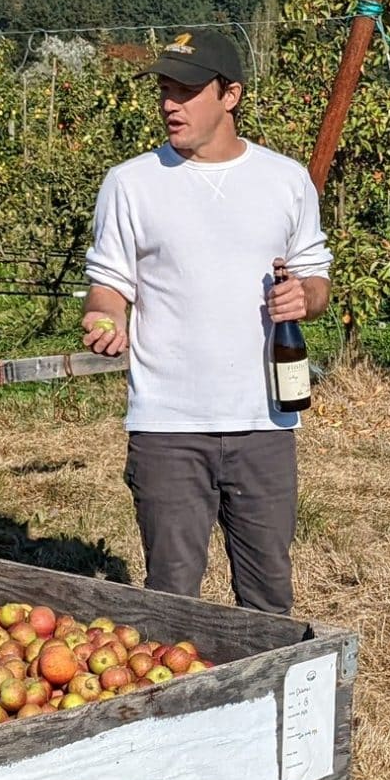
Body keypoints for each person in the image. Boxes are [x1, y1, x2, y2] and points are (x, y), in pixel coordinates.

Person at [81, 31, 330, 615]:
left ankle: (268, 701)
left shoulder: (285, 180)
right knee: (171, 599)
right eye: (165, 89)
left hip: (264, 422)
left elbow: (316, 279)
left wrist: (305, 299)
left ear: (230, 95)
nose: (171, 104)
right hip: (167, 425)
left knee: (268, 596)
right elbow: (109, 284)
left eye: (188, 91)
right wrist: (104, 315)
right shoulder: (131, 183)